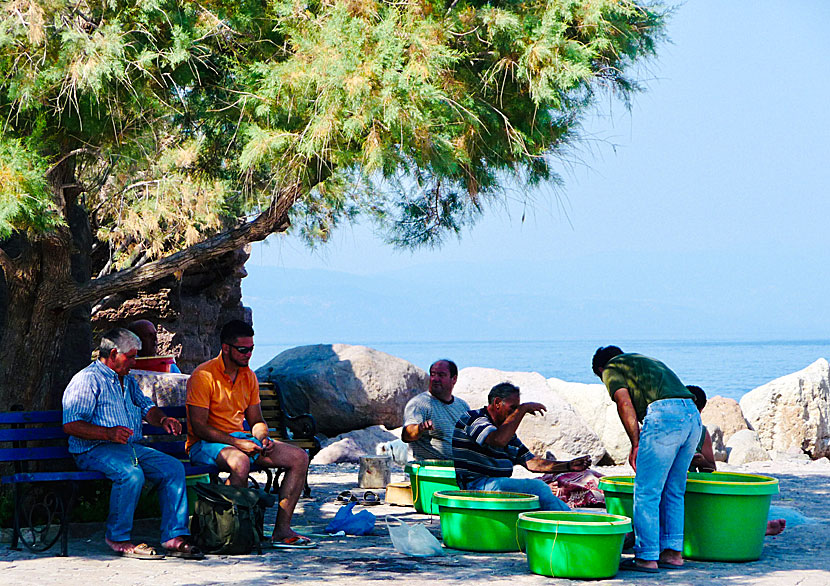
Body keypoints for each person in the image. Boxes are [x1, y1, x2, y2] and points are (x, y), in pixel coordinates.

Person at [62, 328, 203, 559]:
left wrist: (163, 419)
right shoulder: (87, 380)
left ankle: (173, 536)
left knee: (173, 468)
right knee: (131, 474)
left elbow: (147, 407)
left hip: (128, 447)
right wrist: (108, 434)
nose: (135, 361)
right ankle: (118, 538)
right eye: (131, 356)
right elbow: (71, 425)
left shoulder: (127, 379)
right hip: (92, 449)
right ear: (114, 353)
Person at [185, 319, 315, 549]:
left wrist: (263, 438)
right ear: (226, 348)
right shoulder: (203, 375)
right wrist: (237, 443)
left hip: (239, 440)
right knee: (240, 462)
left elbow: (256, 420)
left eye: (252, 349)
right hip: (205, 443)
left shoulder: (249, 376)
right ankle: (231, 530)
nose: (248, 355)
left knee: (299, 457)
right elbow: (199, 427)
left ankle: (282, 530)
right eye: (243, 350)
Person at [592, 346, 701, 573]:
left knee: (646, 492)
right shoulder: (645, 361)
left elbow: (624, 403)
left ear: (601, 368)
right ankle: (672, 552)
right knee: (674, 490)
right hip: (692, 415)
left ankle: (646, 556)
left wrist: (636, 443)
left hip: (665, 418)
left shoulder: (613, 367)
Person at [451, 382, 591, 511]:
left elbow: (532, 463)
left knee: (545, 493)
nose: (515, 413)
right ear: (497, 403)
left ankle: (570, 519)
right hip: (476, 486)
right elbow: (497, 440)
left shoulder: (507, 433)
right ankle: (565, 524)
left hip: (496, 485)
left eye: (517, 408)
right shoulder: (474, 419)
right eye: (513, 408)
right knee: (538, 487)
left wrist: (568, 466)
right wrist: (523, 409)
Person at [686, 385, 786, 536]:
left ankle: (757, 527)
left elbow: (710, 469)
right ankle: (758, 528)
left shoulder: (701, 433)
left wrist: (701, 462)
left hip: (691, 487)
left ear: (699, 412)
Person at [401, 359, 470, 460]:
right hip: (430, 470)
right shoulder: (420, 404)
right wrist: (419, 428)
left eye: (441, 375)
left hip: (459, 469)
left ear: (454, 379)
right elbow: (407, 435)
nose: (435, 379)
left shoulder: (462, 406)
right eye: (433, 374)